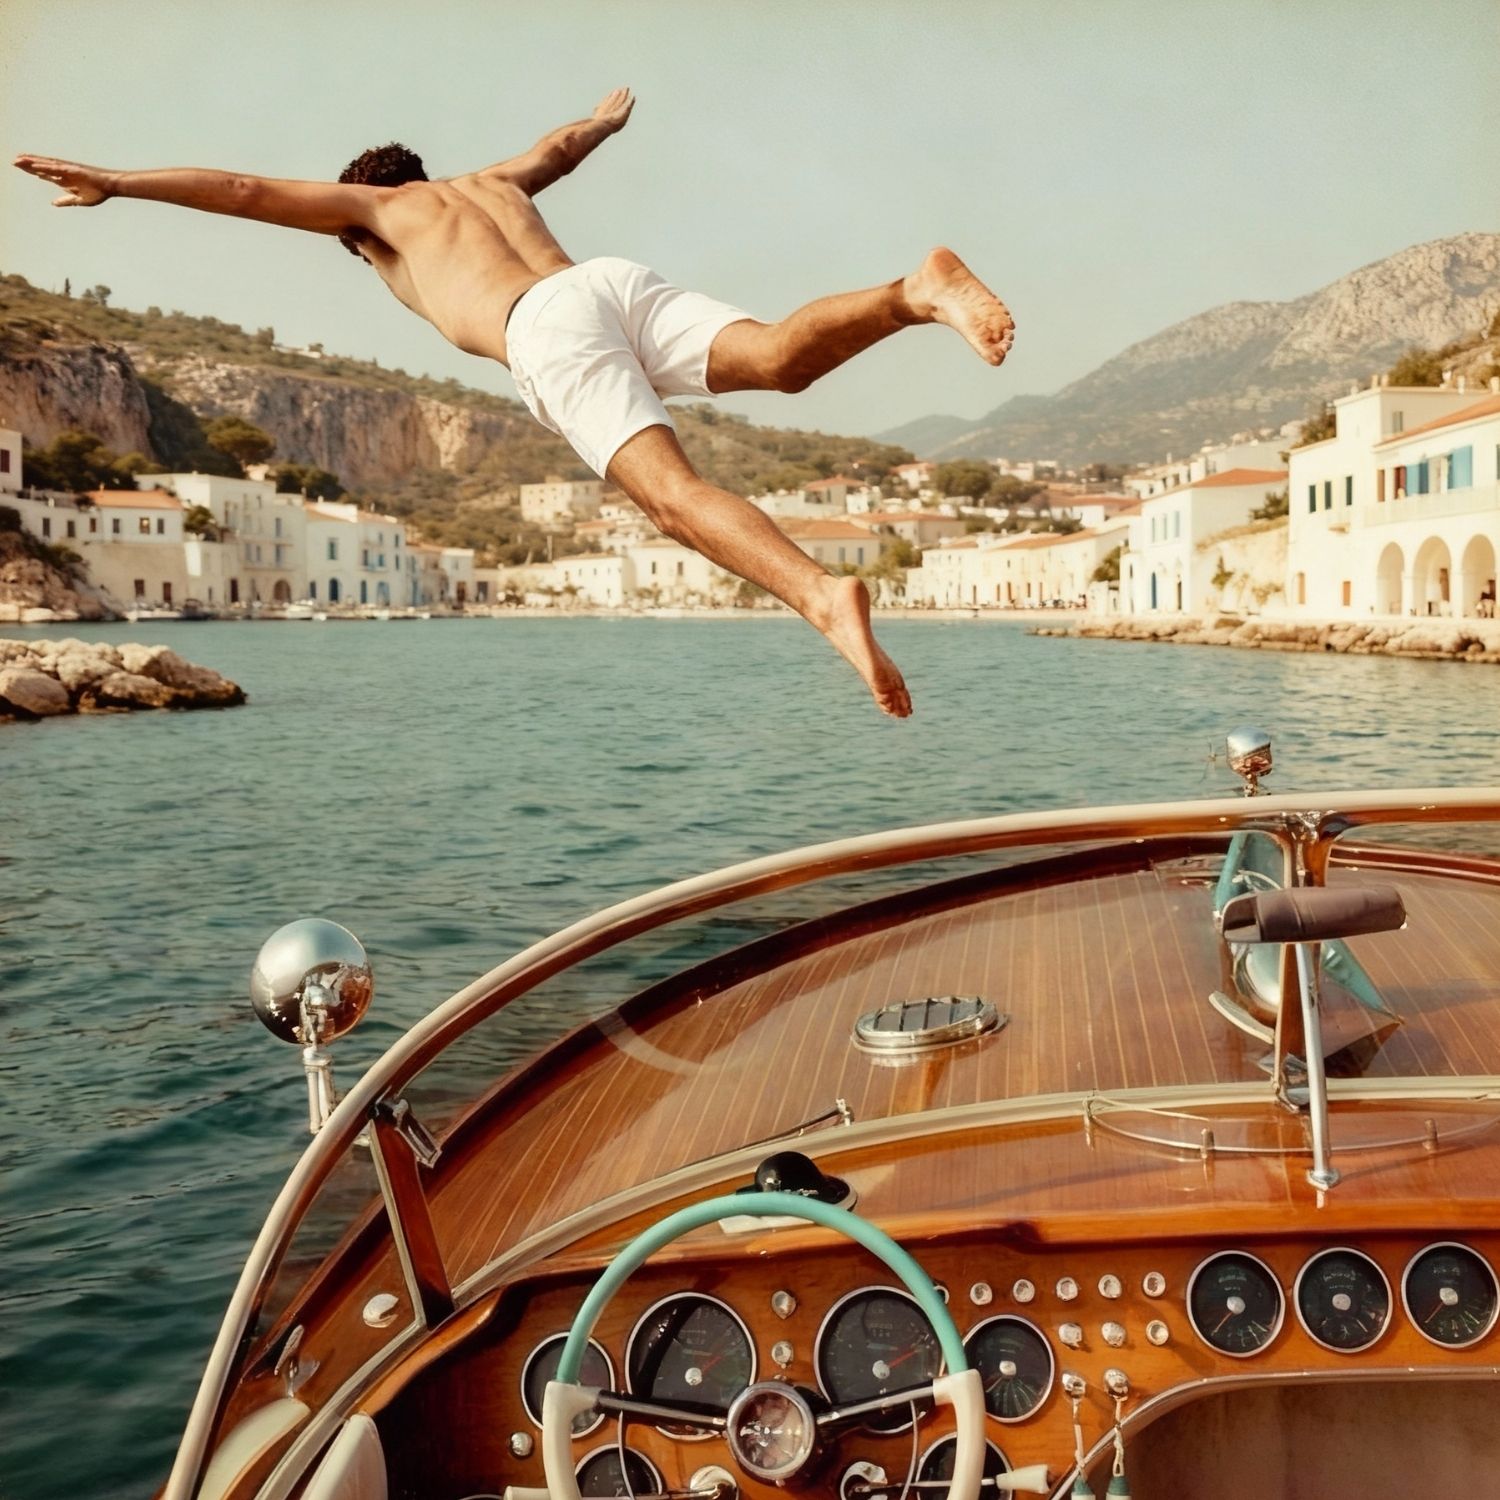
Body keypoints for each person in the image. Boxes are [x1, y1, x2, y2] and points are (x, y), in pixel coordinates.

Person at [15, 90, 1016, 716]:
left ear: (363, 234)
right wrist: (602, 120)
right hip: (607, 282)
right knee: (777, 358)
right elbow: (560, 148)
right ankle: (909, 293)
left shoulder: (378, 215)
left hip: (545, 323)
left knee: (668, 495)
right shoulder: (491, 184)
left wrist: (117, 182)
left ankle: (819, 596)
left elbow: (239, 188)